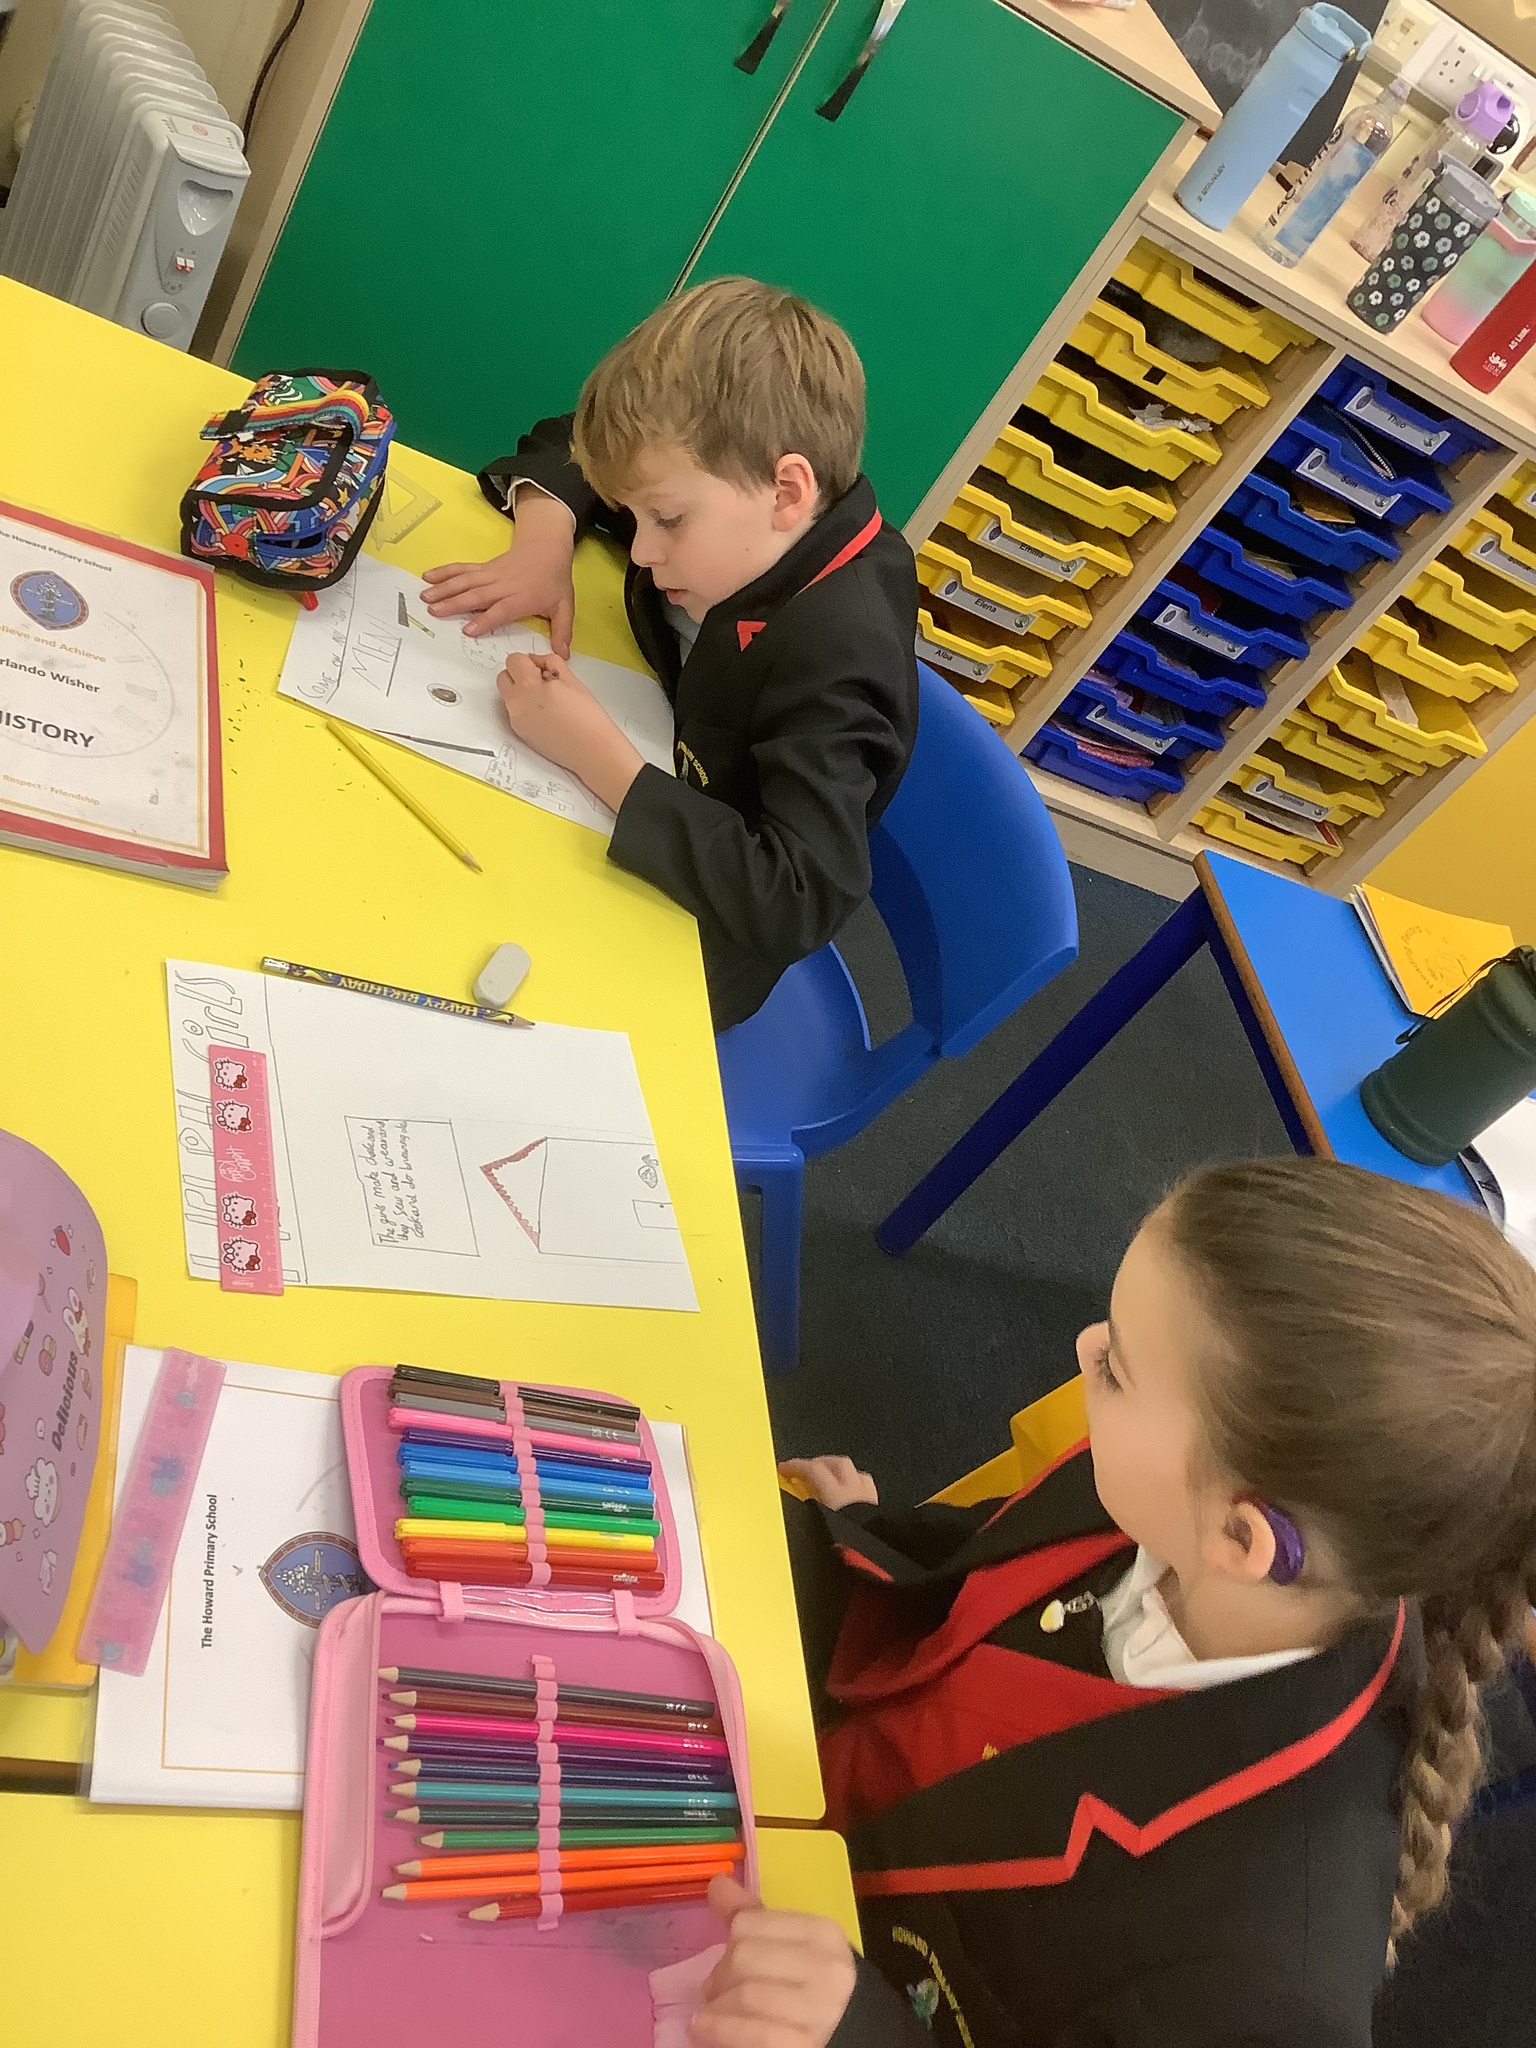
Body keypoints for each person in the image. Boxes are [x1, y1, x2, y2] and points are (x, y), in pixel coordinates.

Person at [686, 1159, 1536, 2047]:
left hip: (791, 1953)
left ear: (1242, 1537)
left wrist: (862, 2032)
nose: (1084, 1349)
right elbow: (973, 1576)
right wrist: (869, 1532)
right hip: (781, 1768)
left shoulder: (1260, 1987)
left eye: (1116, 1369)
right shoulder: (1172, 1505)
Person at [420, 277, 919, 1032]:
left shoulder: (841, 654)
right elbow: (580, 444)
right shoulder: (740, 506)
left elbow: (795, 900)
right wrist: (544, 543)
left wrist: (600, 760)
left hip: (692, 941)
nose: (642, 550)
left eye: (667, 521)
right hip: (649, 777)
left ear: (788, 492)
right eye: (635, 516)